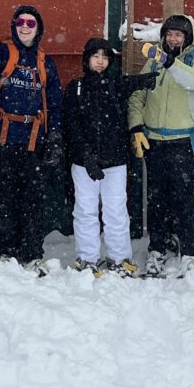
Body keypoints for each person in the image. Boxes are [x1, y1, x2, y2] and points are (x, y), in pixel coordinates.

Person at [0, 0, 63, 276]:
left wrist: (55, 135)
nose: (25, 27)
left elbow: (55, 101)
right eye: (21, 22)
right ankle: (3, 250)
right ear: (14, 26)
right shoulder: (4, 53)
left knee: (33, 200)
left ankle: (31, 252)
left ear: (39, 29)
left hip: (33, 141)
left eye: (31, 23)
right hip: (1, 138)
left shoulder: (45, 63)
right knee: (2, 198)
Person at [63, 38, 157, 276]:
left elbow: (135, 82)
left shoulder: (117, 85)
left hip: (115, 161)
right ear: (87, 59)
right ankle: (87, 258)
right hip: (83, 163)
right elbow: (71, 124)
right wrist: (86, 155)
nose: (100, 61)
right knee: (85, 210)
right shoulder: (76, 87)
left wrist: (150, 76)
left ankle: (119, 258)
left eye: (105, 57)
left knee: (116, 210)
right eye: (96, 56)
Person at [127, 14, 194, 278]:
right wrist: (136, 127)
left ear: (188, 38)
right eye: (169, 34)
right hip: (155, 143)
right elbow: (138, 95)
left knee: (184, 199)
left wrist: (169, 61)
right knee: (157, 200)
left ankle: (188, 251)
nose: (173, 39)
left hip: (184, 142)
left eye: (179, 35)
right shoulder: (153, 62)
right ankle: (156, 249)